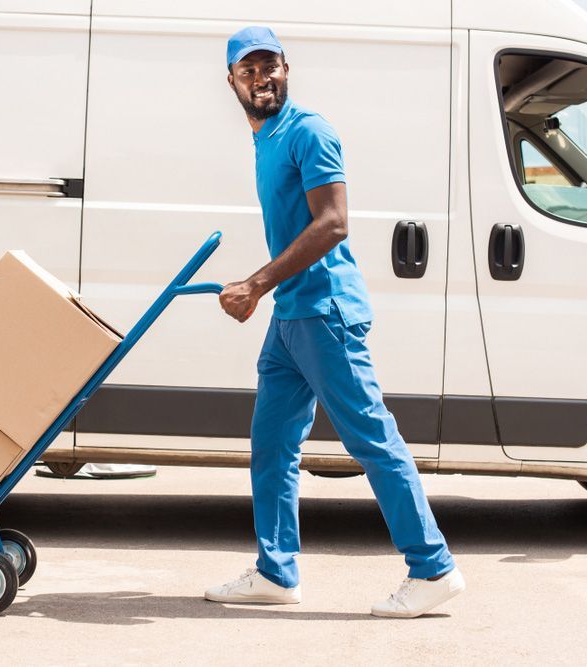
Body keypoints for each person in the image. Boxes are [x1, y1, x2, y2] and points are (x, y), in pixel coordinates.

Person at [203, 26, 464, 618]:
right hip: (290, 317)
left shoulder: (308, 131)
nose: (261, 77)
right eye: (249, 70)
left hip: (324, 312)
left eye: (270, 66)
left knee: (372, 439)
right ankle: (276, 571)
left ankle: (433, 569)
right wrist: (269, 292)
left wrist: (256, 283)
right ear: (232, 82)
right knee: (272, 445)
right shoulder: (266, 138)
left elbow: (334, 223)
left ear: (287, 69)